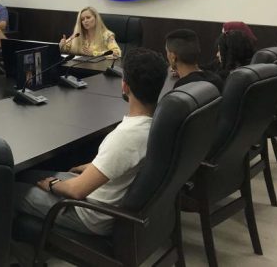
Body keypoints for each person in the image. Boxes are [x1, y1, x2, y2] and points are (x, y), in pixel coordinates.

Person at [14, 47, 168, 236]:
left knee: (9, 189)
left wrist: (52, 185)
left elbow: (76, 191)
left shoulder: (127, 136)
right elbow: (124, 162)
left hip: (89, 213)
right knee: (27, 175)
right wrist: (91, 166)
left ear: (125, 86)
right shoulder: (155, 125)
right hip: (100, 193)